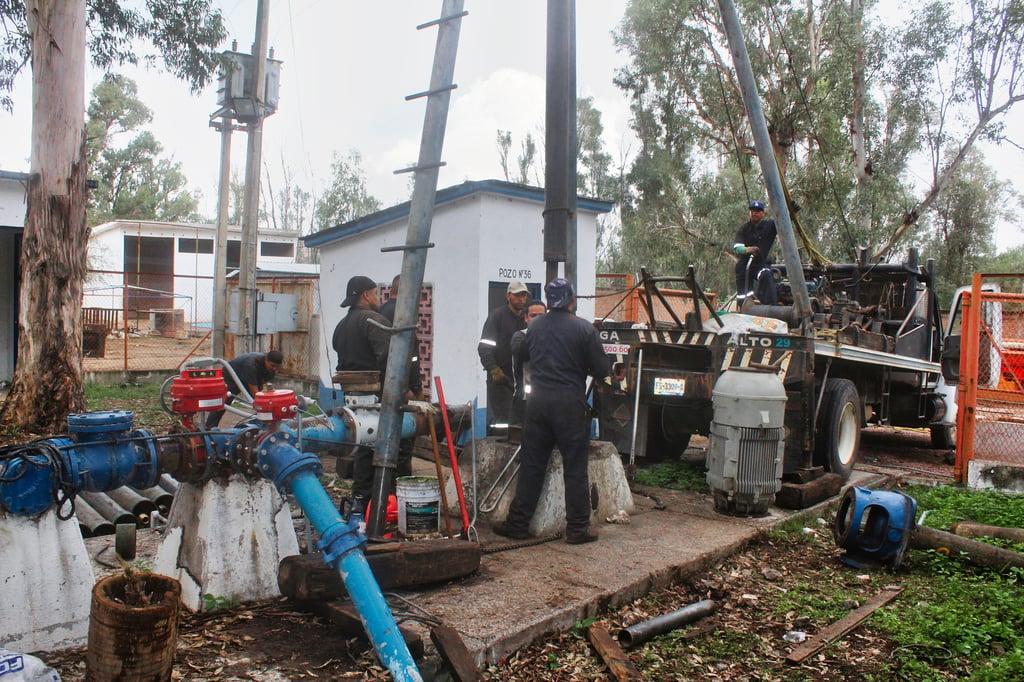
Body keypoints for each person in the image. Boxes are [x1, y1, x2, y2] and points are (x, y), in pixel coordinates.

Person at [495, 278, 610, 545]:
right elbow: (602, 369)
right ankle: (578, 528)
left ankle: (518, 524)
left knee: (532, 464)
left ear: (548, 300)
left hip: (538, 404)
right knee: (575, 466)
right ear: (572, 300)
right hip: (570, 404)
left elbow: (522, 352)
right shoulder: (584, 329)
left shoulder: (533, 327)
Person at [332, 275, 411, 514]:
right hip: (377, 399)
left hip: (351, 399)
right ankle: (390, 503)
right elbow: (390, 359)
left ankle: (361, 501)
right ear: (366, 295)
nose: (378, 298)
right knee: (392, 448)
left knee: (363, 450)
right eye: (375, 293)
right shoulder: (373, 321)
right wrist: (399, 391)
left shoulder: (341, 326)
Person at [478, 280, 529, 436]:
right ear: (508, 296)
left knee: (521, 421)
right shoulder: (497, 317)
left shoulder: (526, 319)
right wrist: (493, 369)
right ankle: (496, 451)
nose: (521, 299)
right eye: (517, 295)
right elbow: (484, 347)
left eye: (523, 295)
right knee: (501, 423)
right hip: (501, 380)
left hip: (522, 380)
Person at [205, 350, 283, 429]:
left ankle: (264, 425)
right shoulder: (251, 365)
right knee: (223, 403)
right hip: (230, 376)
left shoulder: (271, 369)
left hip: (249, 376)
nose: (274, 368)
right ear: (266, 360)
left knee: (262, 403)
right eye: (272, 366)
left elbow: (264, 388)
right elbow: (255, 392)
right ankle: (208, 428)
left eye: (277, 367)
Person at [379, 274, 423, 399]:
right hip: (400, 386)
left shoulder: (379, 310)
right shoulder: (404, 314)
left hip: (380, 383)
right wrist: (416, 387)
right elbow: (411, 355)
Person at [508, 299, 547, 441]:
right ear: (526, 318)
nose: (537, 320)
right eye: (533, 316)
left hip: (551, 397)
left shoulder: (555, 335)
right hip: (526, 399)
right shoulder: (520, 337)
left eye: (541, 316)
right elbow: (522, 353)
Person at [733, 200, 778, 305]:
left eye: (758, 211)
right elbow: (737, 248)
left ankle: (772, 308)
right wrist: (748, 249)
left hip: (759, 264)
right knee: (743, 294)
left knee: (766, 275)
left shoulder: (769, 226)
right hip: (745, 265)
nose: (755, 213)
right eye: (753, 210)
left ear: (763, 213)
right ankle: (744, 309)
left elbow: (782, 220)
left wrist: (790, 211)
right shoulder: (743, 229)